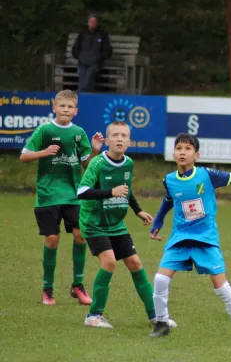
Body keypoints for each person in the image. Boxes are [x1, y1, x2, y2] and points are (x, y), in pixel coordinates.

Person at [148, 133, 231, 340]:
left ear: (196, 155)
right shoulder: (169, 180)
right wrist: (159, 221)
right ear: (173, 153)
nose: (182, 152)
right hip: (180, 238)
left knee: (221, 287)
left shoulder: (207, 175)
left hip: (205, 239)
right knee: (160, 279)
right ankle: (162, 324)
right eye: (179, 148)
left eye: (188, 149)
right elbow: (169, 199)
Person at [77, 121, 174, 329]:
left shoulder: (128, 163)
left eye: (124, 136)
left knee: (136, 264)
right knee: (110, 262)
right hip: (94, 223)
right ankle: (93, 316)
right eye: (115, 135)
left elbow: (126, 190)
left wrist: (137, 210)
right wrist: (110, 192)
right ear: (108, 140)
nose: (119, 139)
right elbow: (82, 191)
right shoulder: (97, 163)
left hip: (116, 224)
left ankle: (155, 315)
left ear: (130, 141)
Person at [20, 89, 103, 306]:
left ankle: (78, 285)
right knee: (52, 239)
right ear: (54, 107)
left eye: (69, 107)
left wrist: (94, 151)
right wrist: (43, 152)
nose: (65, 110)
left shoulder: (78, 132)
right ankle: (47, 289)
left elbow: (87, 164)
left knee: (80, 236)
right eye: (62, 106)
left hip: (74, 195)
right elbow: (24, 156)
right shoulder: (44, 130)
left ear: (75, 111)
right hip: (48, 194)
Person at [72, 13, 112, 92]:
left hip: (96, 63)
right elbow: (75, 49)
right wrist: (80, 56)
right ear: (88, 23)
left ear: (97, 23)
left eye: (94, 22)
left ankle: (79, 93)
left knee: (89, 76)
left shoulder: (102, 35)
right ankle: (84, 92)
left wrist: (100, 57)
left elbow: (108, 51)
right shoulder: (83, 34)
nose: (93, 23)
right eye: (91, 21)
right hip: (82, 62)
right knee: (82, 75)